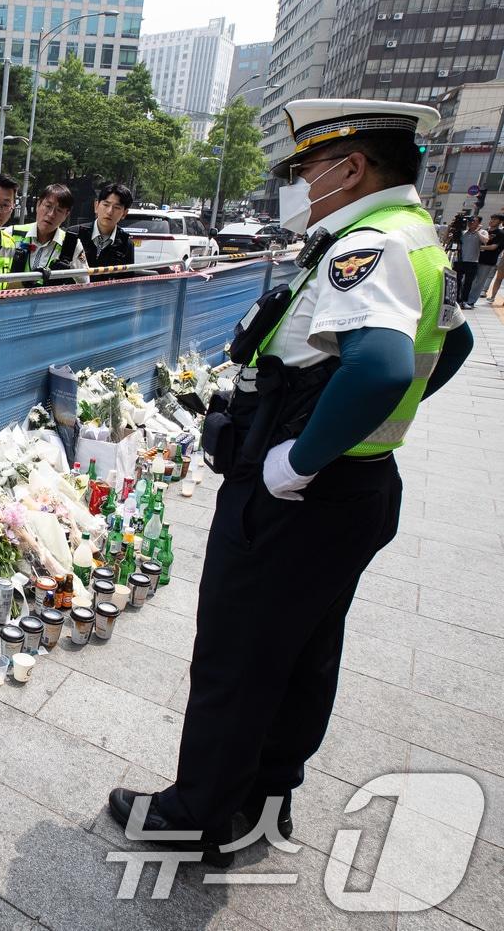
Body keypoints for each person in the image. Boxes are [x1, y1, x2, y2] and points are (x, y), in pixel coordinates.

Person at [108, 99, 474, 866]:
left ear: (352, 166)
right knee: (303, 648)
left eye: (309, 169)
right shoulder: (420, 239)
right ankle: (261, 795)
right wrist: (373, 430)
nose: (302, 186)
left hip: (298, 499)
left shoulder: (367, 245)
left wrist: (301, 457)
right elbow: (456, 343)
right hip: (359, 489)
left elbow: (378, 365)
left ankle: (194, 815)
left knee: (237, 652)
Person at [11, 184, 89, 284]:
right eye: (48, 206)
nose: (51, 214)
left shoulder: (72, 244)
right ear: (38, 205)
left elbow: (85, 284)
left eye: (59, 210)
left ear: (66, 215)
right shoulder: (12, 234)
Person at [69, 182, 136, 272]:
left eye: (116, 207)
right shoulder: (74, 234)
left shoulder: (126, 243)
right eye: (106, 205)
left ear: (124, 213)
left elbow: (126, 282)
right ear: (96, 206)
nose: (109, 211)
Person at [455, 215, 485, 309]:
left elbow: (485, 240)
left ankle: (464, 301)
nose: (470, 223)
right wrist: (451, 227)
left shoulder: (482, 232)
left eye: (473, 221)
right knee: (458, 282)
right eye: (469, 221)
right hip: (460, 260)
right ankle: (457, 300)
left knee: (468, 283)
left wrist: (476, 231)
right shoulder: (463, 233)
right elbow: (448, 239)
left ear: (478, 223)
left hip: (472, 262)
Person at [477, 213, 501, 306]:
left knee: (480, 281)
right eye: (491, 219)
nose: (491, 221)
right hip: (477, 258)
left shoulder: (500, 233)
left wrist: (478, 247)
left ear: (500, 222)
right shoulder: (484, 231)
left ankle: (473, 299)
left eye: (495, 220)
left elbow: (493, 247)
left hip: (488, 260)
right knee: (473, 279)